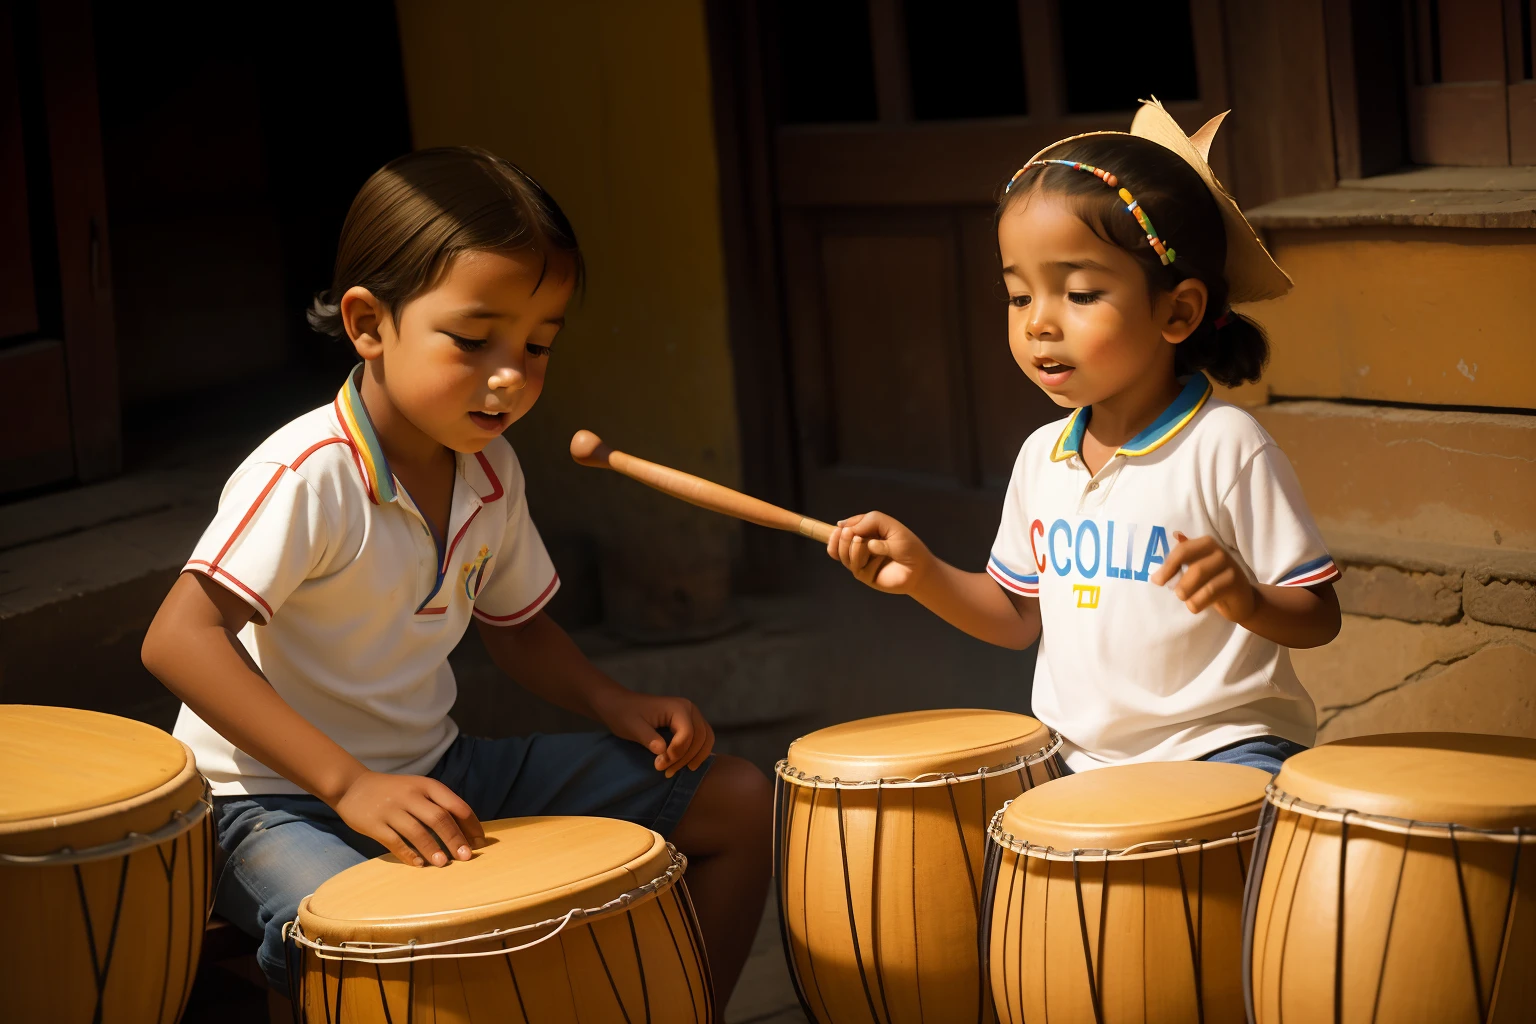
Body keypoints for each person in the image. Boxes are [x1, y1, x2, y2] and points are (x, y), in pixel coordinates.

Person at [141, 146, 771, 1001]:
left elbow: (516, 629)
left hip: (438, 772)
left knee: (737, 800)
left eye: (538, 346)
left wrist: (613, 702)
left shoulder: (491, 469)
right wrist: (350, 784)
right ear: (368, 323)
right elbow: (178, 638)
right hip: (265, 801)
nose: (509, 376)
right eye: (474, 341)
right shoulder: (310, 473)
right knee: (382, 938)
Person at [826, 101, 1340, 777]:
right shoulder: (1043, 458)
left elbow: (1318, 614)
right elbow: (1015, 617)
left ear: (1177, 311)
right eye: (1019, 297)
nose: (1039, 323)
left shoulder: (1226, 446)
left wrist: (1247, 597)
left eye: (1080, 293)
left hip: (1226, 749)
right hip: (1079, 762)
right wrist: (923, 574)